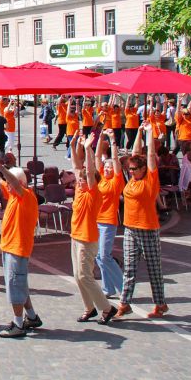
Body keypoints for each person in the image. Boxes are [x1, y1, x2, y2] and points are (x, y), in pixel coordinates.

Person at [0, 149, 42, 338]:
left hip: (17, 248)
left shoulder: (27, 196)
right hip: (9, 247)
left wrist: (0, 166)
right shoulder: (14, 195)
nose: (6, 187)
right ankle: (32, 317)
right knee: (20, 285)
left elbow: (13, 182)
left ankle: (18, 324)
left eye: (9, 183)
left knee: (15, 285)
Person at [117, 121, 167, 319]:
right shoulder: (132, 179)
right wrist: (138, 131)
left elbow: (150, 157)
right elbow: (135, 152)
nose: (131, 171)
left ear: (143, 169)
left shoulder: (150, 180)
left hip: (147, 228)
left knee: (154, 268)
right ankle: (124, 303)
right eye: (129, 168)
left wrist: (149, 134)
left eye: (135, 168)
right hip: (130, 227)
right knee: (129, 268)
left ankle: (160, 304)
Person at [69, 133, 117, 324]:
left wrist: (88, 149)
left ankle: (106, 308)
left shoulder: (93, 193)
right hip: (75, 236)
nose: (79, 181)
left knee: (84, 276)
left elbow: (88, 172)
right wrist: (73, 145)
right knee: (77, 276)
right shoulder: (79, 190)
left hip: (87, 238)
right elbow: (76, 167)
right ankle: (89, 308)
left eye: (83, 180)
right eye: (78, 180)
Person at [95, 132, 125, 299]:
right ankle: (108, 288)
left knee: (105, 255)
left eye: (109, 168)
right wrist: (100, 138)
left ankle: (123, 287)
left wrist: (113, 141)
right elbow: (98, 156)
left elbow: (115, 161)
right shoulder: (101, 179)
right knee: (99, 257)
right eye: (105, 167)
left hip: (108, 221)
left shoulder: (116, 181)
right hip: (96, 220)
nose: (107, 169)